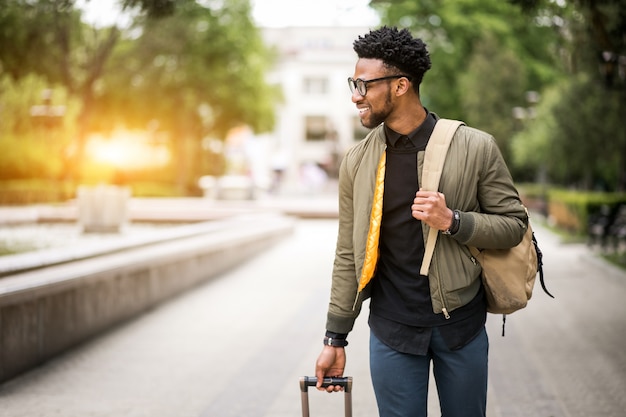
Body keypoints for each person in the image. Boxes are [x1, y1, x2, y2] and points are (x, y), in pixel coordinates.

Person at [314, 26, 528, 417]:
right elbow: (348, 254)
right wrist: (335, 337)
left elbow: (513, 225)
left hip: (460, 326)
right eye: (354, 82)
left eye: (364, 84)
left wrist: (454, 220)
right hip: (391, 331)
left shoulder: (475, 146)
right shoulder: (358, 162)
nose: (355, 94)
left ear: (400, 86)